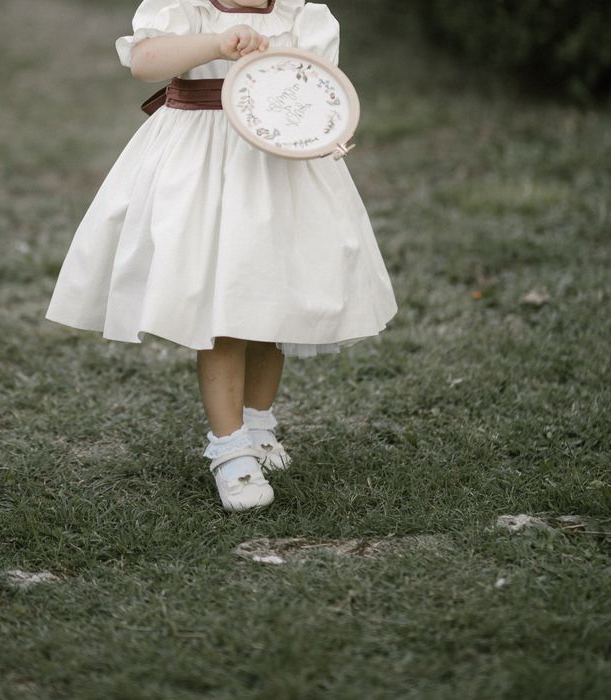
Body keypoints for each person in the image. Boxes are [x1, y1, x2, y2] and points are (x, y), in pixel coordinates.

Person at [44, 0, 398, 512]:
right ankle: (230, 449)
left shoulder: (303, 14)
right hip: (204, 168)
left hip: (279, 169)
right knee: (225, 308)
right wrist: (216, 44)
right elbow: (144, 60)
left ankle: (257, 424)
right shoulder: (185, 7)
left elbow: (321, 91)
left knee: (273, 303)